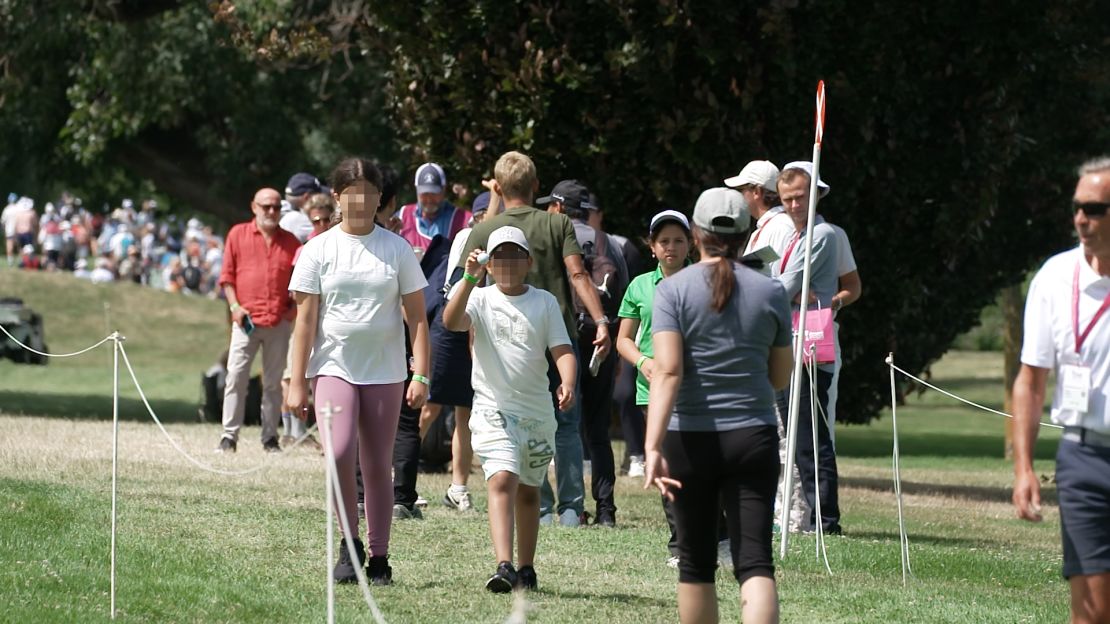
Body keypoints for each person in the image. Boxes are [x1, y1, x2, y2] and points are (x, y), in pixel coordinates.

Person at [644, 187, 792, 624]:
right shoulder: (772, 291)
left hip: (689, 442)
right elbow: (779, 377)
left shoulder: (673, 290)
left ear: (695, 234)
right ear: (747, 234)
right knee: (755, 563)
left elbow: (668, 372)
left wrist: (652, 446)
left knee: (695, 565)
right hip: (754, 436)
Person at [287, 157, 430, 585]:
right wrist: (296, 382)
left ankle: (379, 556)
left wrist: (420, 374)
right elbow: (305, 323)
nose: (363, 202)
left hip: (386, 372)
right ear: (337, 197)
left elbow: (417, 319)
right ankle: (348, 548)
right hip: (333, 367)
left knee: (375, 465)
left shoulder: (397, 249)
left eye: (371, 194)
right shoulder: (318, 250)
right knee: (338, 452)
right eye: (354, 195)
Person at [458, 151, 612, 528]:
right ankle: (572, 508)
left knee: (522, 422)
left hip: (504, 343)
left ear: (498, 186)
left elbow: (468, 289)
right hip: (556, 335)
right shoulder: (557, 224)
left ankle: (539, 505)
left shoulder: (483, 229)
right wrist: (601, 319)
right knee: (566, 423)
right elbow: (578, 276)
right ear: (535, 186)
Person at [443, 225, 575, 592]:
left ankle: (526, 568)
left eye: (515, 255)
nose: (507, 263)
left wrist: (568, 381)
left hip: (536, 413)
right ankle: (504, 565)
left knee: (530, 491)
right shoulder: (479, 298)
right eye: (499, 256)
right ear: (490, 262)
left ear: (529, 262)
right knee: (502, 478)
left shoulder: (545, 302)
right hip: (491, 409)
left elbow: (561, 348)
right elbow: (451, 321)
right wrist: (469, 277)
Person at [1012, 156, 1110, 624]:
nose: (1080, 219)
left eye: (1094, 209)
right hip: (1085, 459)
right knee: (1092, 611)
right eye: (1077, 207)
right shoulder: (1054, 277)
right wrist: (1024, 467)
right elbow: (1030, 381)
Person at [539, 179, 628, 526]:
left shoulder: (553, 237)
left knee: (562, 423)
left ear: (559, 208)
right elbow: (622, 301)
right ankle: (605, 510)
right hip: (602, 339)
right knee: (598, 429)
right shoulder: (609, 242)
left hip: (563, 339)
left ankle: (563, 508)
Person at [617, 209, 700, 564]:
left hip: (697, 387)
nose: (671, 247)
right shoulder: (638, 287)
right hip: (652, 389)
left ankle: (713, 532)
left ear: (691, 244)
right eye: (663, 241)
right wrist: (643, 361)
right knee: (667, 464)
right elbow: (624, 340)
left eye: (678, 240)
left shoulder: (703, 282)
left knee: (700, 462)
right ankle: (680, 544)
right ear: (652, 247)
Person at [773, 161, 843, 535]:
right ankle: (816, 516)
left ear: (816, 194)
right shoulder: (793, 237)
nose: (794, 205)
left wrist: (762, 288)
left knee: (812, 436)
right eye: (787, 199)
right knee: (798, 435)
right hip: (790, 341)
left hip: (810, 344)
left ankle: (826, 520)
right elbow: (782, 282)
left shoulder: (821, 235)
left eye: (800, 197)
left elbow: (783, 284)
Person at [215, 188, 301, 453]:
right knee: (236, 377)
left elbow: (301, 283)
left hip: (278, 322)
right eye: (266, 207)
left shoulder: (291, 242)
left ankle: (269, 437)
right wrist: (235, 307)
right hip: (246, 321)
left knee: (274, 383)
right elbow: (226, 277)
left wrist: (292, 311)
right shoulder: (237, 234)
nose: (271, 212)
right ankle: (229, 436)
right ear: (254, 207)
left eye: (276, 207)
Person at [426, 190, 493, 512]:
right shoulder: (468, 236)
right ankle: (396, 475)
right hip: (449, 326)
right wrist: (496, 193)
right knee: (430, 406)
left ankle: (458, 488)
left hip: (477, 327)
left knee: (466, 416)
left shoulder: (503, 243)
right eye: (482, 215)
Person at [726, 160, 795, 276]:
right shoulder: (770, 226)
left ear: (757, 192)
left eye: (741, 190)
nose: (738, 196)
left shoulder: (780, 227)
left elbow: (774, 278)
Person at [398, 162, 470, 255]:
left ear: (444, 189)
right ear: (416, 190)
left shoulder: (462, 219)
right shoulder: (402, 216)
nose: (429, 199)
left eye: (434, 193)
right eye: (424, 193)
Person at [281, 172, 324, 243]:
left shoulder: (281, 212)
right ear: (307, 197)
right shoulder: (298, 219)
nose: (322, 199)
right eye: (318, 195)